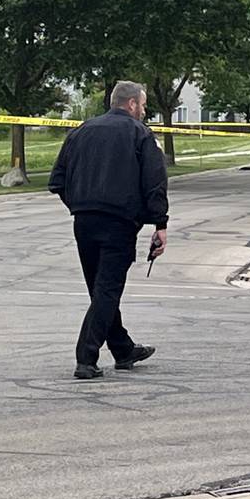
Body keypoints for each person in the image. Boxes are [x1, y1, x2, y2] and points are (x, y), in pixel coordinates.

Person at [48, 81, 168, 380]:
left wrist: (79, 204)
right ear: (131, 104)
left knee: (100, 290)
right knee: (107, 290)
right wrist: (160, 224)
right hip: (119, 223)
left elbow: (57, 180)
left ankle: (123, 348)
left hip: (84, 222)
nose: (144, 110)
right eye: (143, 104)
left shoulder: (81, 131)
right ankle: (85, 358)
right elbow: (154, 182)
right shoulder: (140, 134)